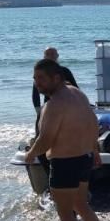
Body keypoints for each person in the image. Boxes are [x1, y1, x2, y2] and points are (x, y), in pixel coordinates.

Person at [24, 59, 109, 221]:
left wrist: (31, 154)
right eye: (35, 79)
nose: (37, 84)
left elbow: (46, 140)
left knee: (65, 213)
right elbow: (92, 122)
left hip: (64, 163)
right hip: (84, 158)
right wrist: (95, 150)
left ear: (57, 78)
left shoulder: (53, 105)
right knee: (81, 205)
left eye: (41, 79)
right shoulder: (77, 94)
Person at [31, 47, 78, 175]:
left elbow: (76, 89)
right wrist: (38, 111)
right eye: (48, 54)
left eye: (53, 53)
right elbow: (35, 94)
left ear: (57, 55)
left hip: (66, 109)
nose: (51, 56)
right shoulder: (40, 73)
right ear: (44, 56)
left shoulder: (64, 71)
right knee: (39, 138)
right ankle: (48, 173)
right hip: (47, 107)